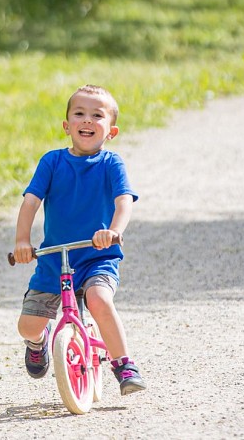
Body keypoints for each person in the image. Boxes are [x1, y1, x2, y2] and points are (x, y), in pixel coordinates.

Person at [12, 84, 147, 396]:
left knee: (99, 299)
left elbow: (123, 200)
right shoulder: (52, 162)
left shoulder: (111, 163)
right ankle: (39, 340)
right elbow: (31, 201)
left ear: (111, 130)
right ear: (67, 125)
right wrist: (22, 240)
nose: (87, 120)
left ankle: (124, 364)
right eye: (79, 113)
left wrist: (113, 231)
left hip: (96, 255)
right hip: (53, 258)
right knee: (27, 325)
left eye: (97, 115)